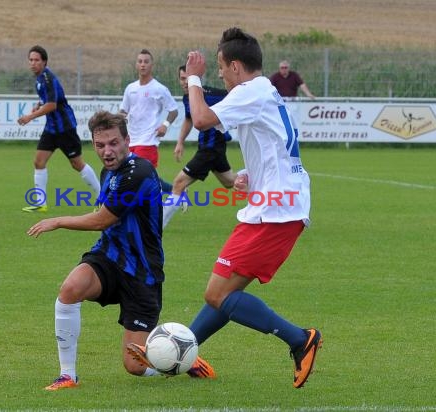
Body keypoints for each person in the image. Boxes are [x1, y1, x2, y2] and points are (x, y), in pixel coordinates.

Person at [168, 28, 322, 388]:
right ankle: (182, 352)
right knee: (225, 293)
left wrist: (193, 78)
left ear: (235, 66)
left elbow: (202, 119)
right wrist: (250, 174)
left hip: (275, 211)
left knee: (217, 294)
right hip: (278, 204)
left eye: (221, 67)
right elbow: (279, 144)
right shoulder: (265, 91)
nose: (220, 74)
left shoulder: (251, 91)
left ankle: (301, 339)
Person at [27, 111, 214, 391]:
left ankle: (179, 358)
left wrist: (58, 220)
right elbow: (105, 215)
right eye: (100, 145)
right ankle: (68, 376)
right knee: (70, 289)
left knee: (135, 366)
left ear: (127, 140)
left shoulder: (137, 172)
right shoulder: (108, 172)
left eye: (113, 143)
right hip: (109, 257)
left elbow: (104, 219)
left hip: (142, 270)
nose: (107, 151)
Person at [18, 45, 100, 212]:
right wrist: (38, 105)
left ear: (44, 62)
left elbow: (52, 105)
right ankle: (40, 203)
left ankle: (103, 197)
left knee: (77, 164)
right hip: (51, 129)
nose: (33, 63)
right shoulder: (40, 78)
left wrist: (29, 117)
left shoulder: (47, 79)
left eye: (36, 60)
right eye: (31, 60)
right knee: (39, 162)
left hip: (65, 128)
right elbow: (48, 100)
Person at [162, 65, 237, 228]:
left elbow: (235, 97)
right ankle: (268, 186)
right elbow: (189, 119)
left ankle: (156, 227)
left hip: (211, 148)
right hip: (212, 148)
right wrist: (180, 142)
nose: (184, 82)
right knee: (231, 182)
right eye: (182, 78)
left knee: (179, 183)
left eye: (187, 78)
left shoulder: (212, 95)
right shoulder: (186, 97)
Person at [120, 49, 178, 193]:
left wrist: (165, 125)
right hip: (130, 141)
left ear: (152, 65)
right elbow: (123, 111)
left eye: (146, 62)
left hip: (148, 141)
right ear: (136, 65)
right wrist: (118, 119)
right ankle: (177, 191)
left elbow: (174, 110)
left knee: (137, 177)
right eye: (140, 61)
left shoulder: (159, 88)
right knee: (143, 178)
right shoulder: (130, 88)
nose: (143, 64)